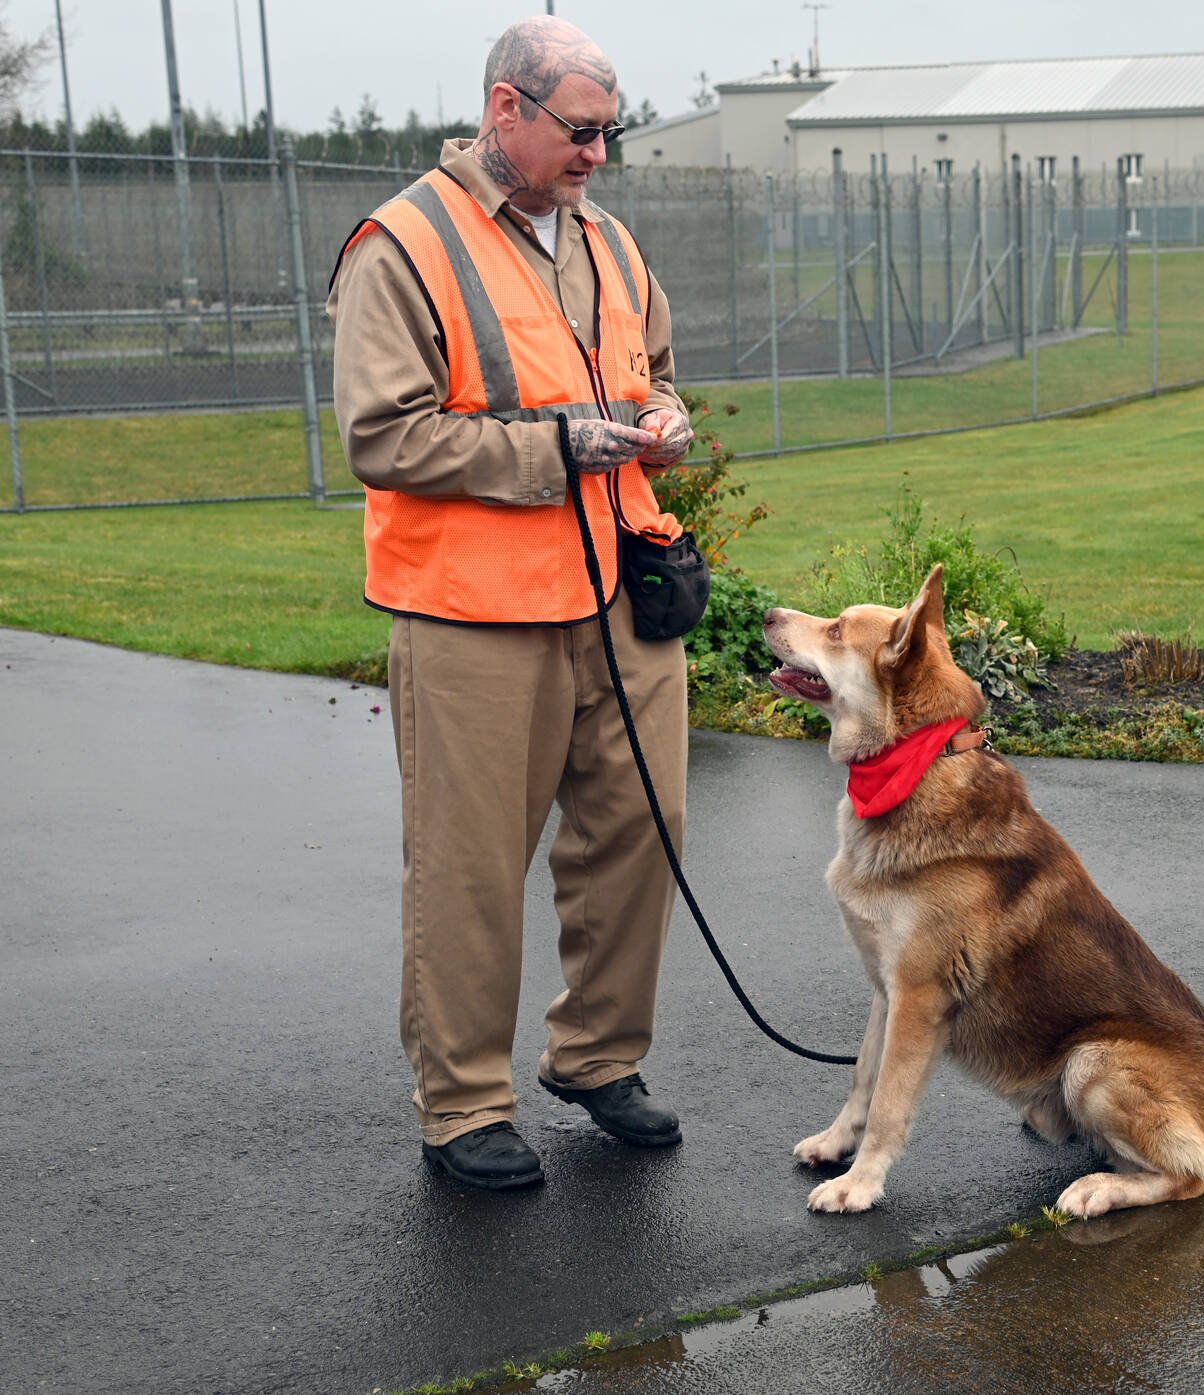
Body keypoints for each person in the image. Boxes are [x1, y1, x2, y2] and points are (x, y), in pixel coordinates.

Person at [327, 16, 696, 1191]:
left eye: (608, 132)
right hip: (475, 614)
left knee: (646, 832)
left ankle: (597, 1058)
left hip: (620, 595)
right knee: (471, 865)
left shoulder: (610, 243)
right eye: (578, 131)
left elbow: (656, 373)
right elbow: (382, 437)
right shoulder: (403, 244)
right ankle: (463, 1105)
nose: (597, 154)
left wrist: (666, 421)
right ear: (504, 111)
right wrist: (557, 450)